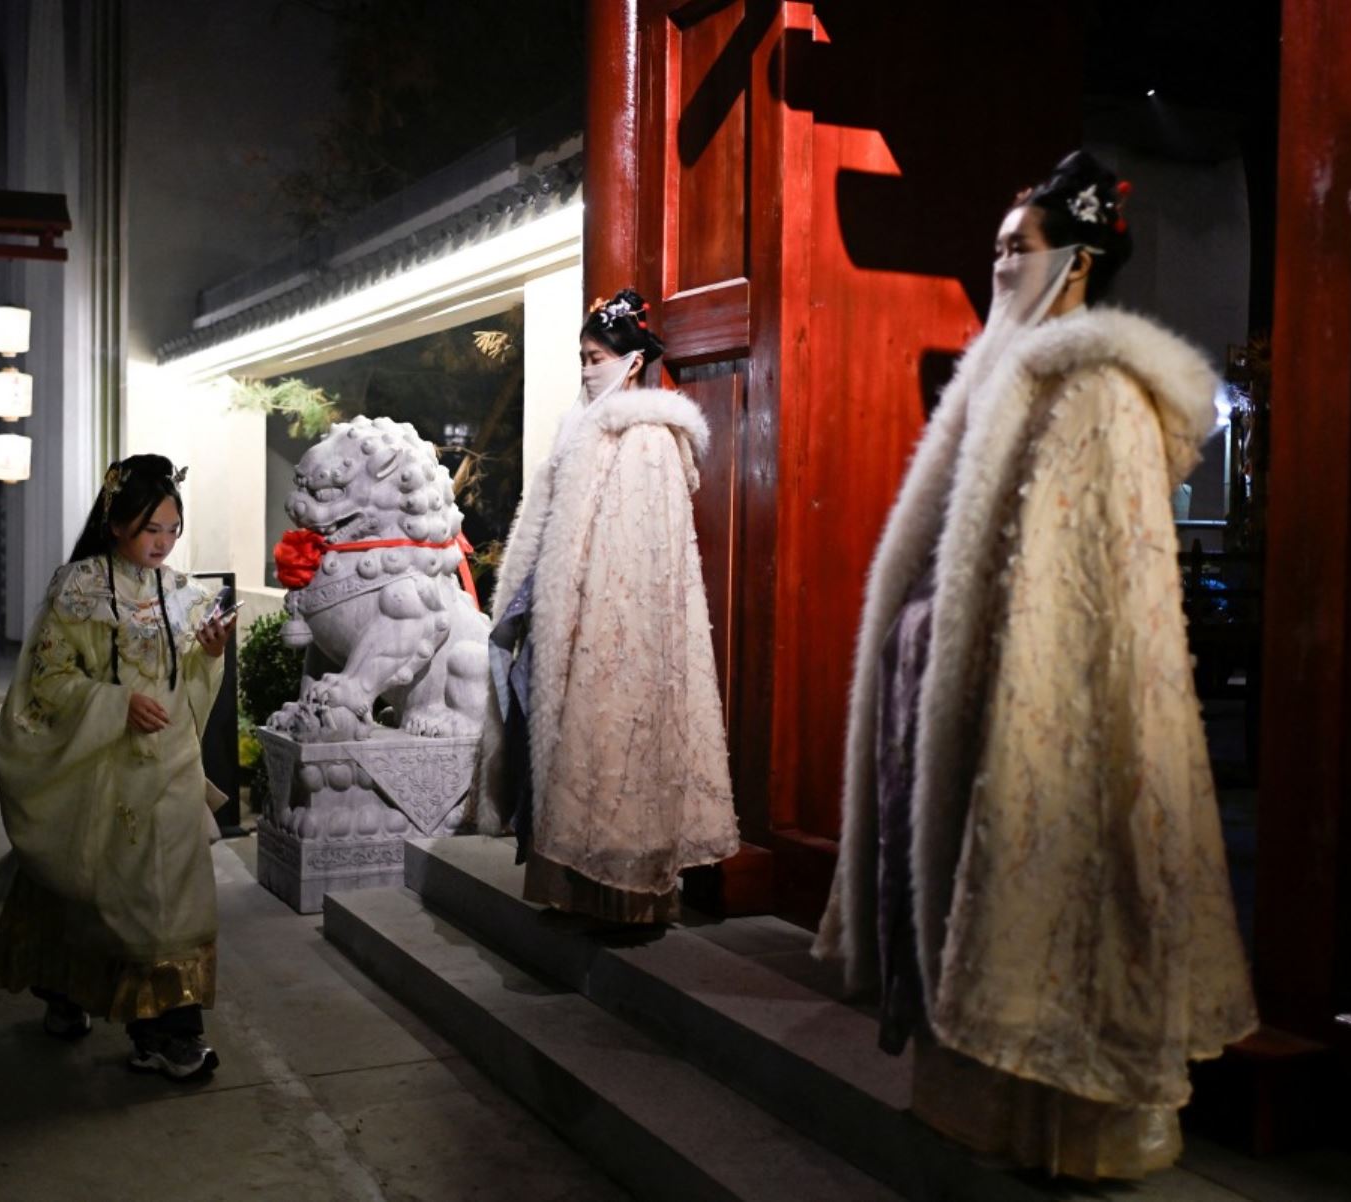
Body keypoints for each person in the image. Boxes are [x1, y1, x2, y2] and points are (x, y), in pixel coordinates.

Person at [813, 152, 1258, 1178]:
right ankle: (973, 1098)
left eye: (1020, 247)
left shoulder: (1094, 384)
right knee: (970, 900)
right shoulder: (1003, 373)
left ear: (1080, 259)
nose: (1000, 263)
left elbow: (1085, 584)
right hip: (970, 683)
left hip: (1053, 698)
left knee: (1060, 903)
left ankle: (1071, 1128)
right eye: (997, 247)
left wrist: (1015, 662)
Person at [471, 288, 740, 923]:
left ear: (633, 361)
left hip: (613, 626)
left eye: (596, 356)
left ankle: (622, 904)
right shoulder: (581, 427)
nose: (587, 368)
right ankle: (565, 890)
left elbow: (639, 554)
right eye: (583, 357)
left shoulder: (644, 435)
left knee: (613, 753)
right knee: (554, 746)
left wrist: (598, 615)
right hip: (559, 611)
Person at [0, 454, 234, 1081]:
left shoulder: (186, 596)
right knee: (87, 887)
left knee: (169, 901)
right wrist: (115, 703)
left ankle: (169, 1033)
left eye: (173, 530)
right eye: (152, 529)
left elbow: (192, 682)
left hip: (170, 768)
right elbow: (47, 680)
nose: (163, 542)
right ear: (117, 523)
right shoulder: (79, 590)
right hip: (102, 766)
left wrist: (209, 656)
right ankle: (70, 992)